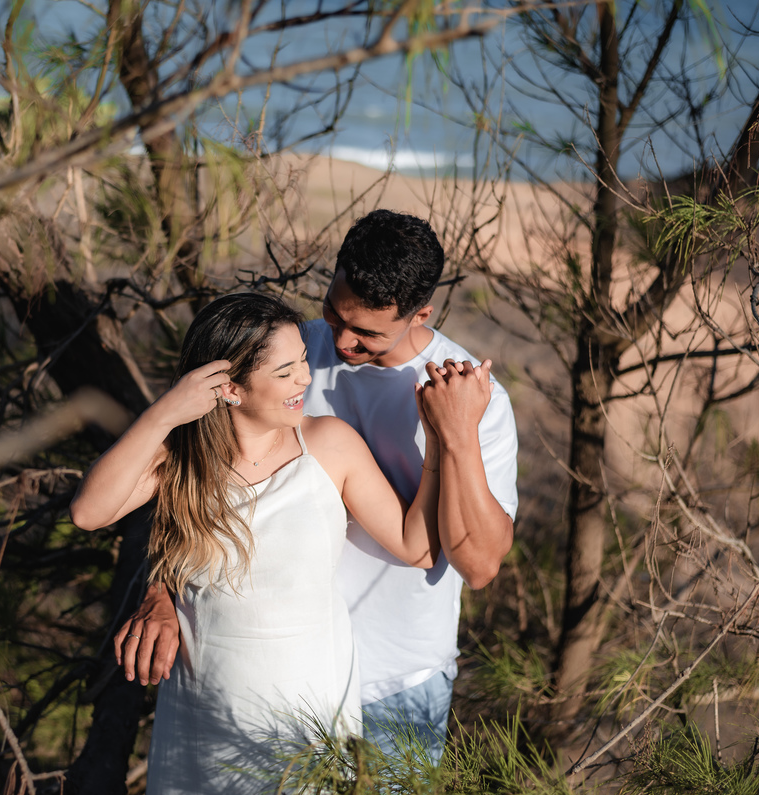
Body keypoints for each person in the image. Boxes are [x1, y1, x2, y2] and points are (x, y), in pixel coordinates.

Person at [116, 210, 519, 765]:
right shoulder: (285, 358)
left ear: (419, 314)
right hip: (270, 674)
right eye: (334, 313)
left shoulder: (476, 400)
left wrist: (456, 436)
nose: (342, 341)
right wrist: (162, 589)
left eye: (367, 332)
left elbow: (478, 566)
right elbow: (187, 471)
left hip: (395, 684)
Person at [71, 292, 450, 795]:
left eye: (302, 363)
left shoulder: (329, 445)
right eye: (286, 370)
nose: (305, 380)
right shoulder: (181, 458)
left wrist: (441, 443)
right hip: (204, 718)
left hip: (309, 715)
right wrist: (165, 413)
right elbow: (88, 513)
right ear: (229, 387)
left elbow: (418, 546)